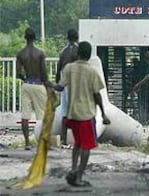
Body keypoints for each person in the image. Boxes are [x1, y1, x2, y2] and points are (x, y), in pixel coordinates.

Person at [48, 41, 111, 187]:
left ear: (78, 54)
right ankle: (78, 177)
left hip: (72, 114)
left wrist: (49, 83)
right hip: (86, 114)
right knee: (86, 146)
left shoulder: (69, 68)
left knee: (77, 144)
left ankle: (74, 169)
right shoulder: (92, 71)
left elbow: (59, 86)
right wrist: (103, 114)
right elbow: (97, 94)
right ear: (89, 55)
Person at [16, 28, 48, 150]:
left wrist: (25, 79)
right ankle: (42, 142)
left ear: (25, 37)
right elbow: (44, 73)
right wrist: (47, 85)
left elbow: (18, 73)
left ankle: (27, 143)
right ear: (35, 38)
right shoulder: (40, 53)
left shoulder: (21, 53)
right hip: (38, 84)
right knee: (42, 115)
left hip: (27, 85)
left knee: (25, 115)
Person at [55, 29, 79, 148]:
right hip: (75, 82)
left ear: (67, 38)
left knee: (65, 112)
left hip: (64, 83)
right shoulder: (79, 50)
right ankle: (77, 140)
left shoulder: (63, 51)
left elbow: (58, 69)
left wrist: (58, 84)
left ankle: (64, 140)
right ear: (77, 37)